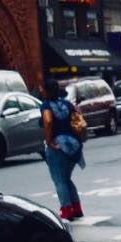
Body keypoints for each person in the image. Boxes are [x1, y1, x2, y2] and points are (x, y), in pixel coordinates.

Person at [40, 78, 84, 220]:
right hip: (74, 146)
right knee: (66, 179)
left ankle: (67, 210)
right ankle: (76, 208)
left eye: (42, 89)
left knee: (59, 180)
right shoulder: (67, 104)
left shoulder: (46, 105)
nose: (41, 91)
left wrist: (49, 141)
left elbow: (48, 120)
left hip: (58, 147)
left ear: (46, 91)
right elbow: (78, 119)